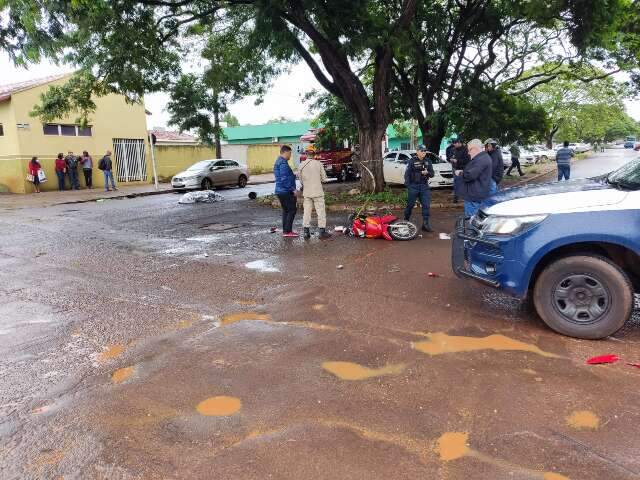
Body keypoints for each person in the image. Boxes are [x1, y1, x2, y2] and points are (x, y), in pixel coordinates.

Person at [455, 139, 492, 217]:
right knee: (474, 220)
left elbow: (470, 176)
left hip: (473, 196)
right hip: (475, 194)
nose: (468, 153)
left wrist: (460, 173)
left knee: (472, 221)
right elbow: (474, 172)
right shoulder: (482, 158)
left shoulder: (481, 159)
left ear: (475, 149)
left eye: (469, 150)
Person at [404, 144, 435, 232]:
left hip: (424, 186)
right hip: (413, 186)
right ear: (417, 151)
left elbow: (432, 174)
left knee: (426, 205)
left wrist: (427, 172)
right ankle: (406, 221)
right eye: (422, 151)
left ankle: (425, 224)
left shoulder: (428, 161)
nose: (424, 152)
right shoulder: (412, 161)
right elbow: (407, 174)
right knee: (410, 205)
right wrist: (408, 186)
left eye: (425, 151)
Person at [298, 154, 330, 240]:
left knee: (307, 212)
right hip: (318, 192)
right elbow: (324, 179)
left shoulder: (301, 165)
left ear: (306, 155)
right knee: (320, 212)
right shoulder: (318, 164)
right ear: (314, 154)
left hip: (307, 192)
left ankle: (306, 232)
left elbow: (300, 180)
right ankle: (322, 232)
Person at [274, 145, 299, 237]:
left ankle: (286, 231)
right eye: (290, 153)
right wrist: (293, 189)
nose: (290, 155)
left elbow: (285, 176)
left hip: (280, 190)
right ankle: (288, 231)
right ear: (286, 152)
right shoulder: (283, 163)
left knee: (286, 210)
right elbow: (284, 179)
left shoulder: (279, 161)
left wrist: (293, 175)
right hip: (285, 191)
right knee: (292, 210)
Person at [450, 137, 470, 203]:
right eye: (454, 143)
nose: (454, 145)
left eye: (455, 143)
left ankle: (464, 197)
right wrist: (451, 159)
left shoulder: (465, 150)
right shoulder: (454, 149)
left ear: (459, 143)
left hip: (462, 169)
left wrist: (457, 161)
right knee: (456, 183)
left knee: (462, 183)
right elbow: (451, 156)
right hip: (455, 168)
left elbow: (467, 160)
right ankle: (456, 198)